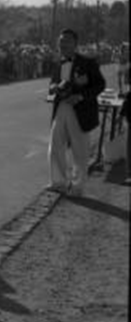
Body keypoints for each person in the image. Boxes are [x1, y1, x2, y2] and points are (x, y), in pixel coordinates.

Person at [47, 28, 106, 196]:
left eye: (66, 41)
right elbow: (52, 83)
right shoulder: (58, 62)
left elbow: (100, 85)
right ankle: (58, 182)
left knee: (80, 149)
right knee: (55, 145)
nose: (63, 44)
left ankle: (77, 186)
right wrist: (53, 87)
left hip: (80, 109)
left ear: (75, 44)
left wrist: (80, 96)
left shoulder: (88, 62)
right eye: (61, 41)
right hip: (61, 107)